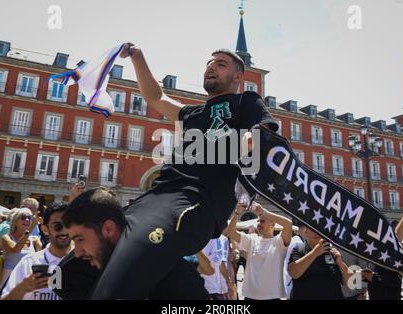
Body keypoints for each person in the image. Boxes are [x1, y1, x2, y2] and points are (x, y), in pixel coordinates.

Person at [62, 43, 279, 299]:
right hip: (155, 197)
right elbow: (156, 97)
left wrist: (238, 144)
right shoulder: (192, 113)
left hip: (194, 200)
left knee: (123, 273)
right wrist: (138, 56)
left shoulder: (245, 102)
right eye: (209, 63)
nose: (211, 67)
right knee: (69, 274)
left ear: (238, 76)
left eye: (221, 64)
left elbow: (263, 136)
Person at [63, 187, 210, 299]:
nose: (77, 252)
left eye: (80, 239)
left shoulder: (174, 278)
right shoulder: (83, 271)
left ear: (108, 228)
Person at [1, 202, 73, 300]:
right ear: (45, 229)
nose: (64, 231)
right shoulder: (29, 262)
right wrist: (23, 287)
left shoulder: (84, 261)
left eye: (68, 225)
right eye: (57, 226)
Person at [226, 201, 292, 300]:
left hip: (272, 296)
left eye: (262, 221)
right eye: (258, 221)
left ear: (272, 224)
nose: (258, 223)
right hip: (250, 296)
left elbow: (288, 224)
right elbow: (230, 232)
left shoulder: (279, 241)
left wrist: (263, 212)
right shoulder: (252, 240)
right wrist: (237, 213)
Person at [288, 227, 352, 300]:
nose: (317, 233)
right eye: (312, 229)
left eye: (320, 230)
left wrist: (340, 263)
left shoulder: (333, 252)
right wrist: (315, 253)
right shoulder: (299, 249)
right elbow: (293, 273)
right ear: (305, 232)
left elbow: (350, 283)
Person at [0, 208, 42, 299]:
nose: (27, 220)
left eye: (29, 217)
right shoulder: (6, 238)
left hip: (28, 279)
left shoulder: (35, 240)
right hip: (8, 279)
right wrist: (31, 229)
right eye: (23, 217)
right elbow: (16, 249)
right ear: (15, 222)